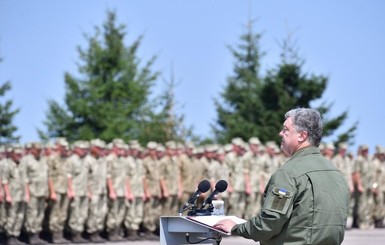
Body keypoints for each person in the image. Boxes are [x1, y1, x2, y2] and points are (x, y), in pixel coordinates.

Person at [214, 108, 350, 245]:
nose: (280, 133)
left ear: (302, 136)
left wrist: (236, 228)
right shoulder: (335, 173)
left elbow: (269, 223)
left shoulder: (288, 173)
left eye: (286, 129)